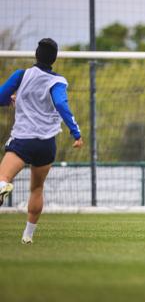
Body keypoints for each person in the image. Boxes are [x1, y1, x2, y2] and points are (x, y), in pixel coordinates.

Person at [0, 38, 83, 244]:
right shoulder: (57, 81)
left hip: (23, 140)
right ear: (54, 59)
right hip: (46, 144)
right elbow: (61, 104)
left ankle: (3, 185)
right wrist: (76, 132)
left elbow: (0, 97)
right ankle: (28, 236)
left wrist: (10, 98)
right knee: (37, 189)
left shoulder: (21, 75)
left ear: (36, 55)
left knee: (2, 178)